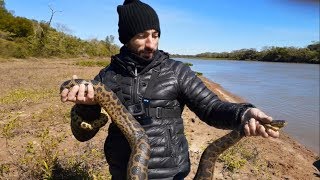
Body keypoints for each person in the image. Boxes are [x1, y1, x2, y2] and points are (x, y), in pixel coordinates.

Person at [60, 0, 279, 179]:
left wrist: (243, 113)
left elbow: (211, 108)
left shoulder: (176, 71)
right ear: (126, 38)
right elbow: (82, 135)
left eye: (155, 35)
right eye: (142, 36)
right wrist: (86, 108)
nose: (151, 44)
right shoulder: (105, 77)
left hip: (170, 174)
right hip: (121, 172)